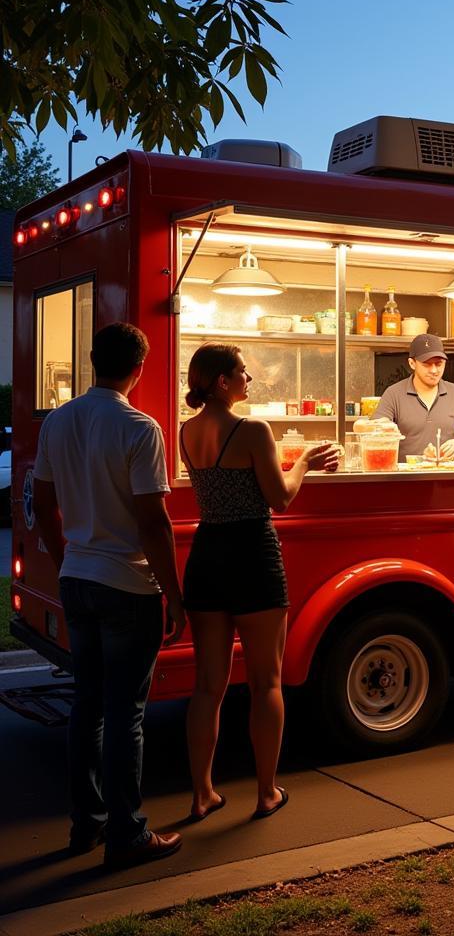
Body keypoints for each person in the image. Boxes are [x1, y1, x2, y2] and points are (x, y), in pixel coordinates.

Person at [33, 323, 186, 868]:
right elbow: (154, 521)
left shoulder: (58, 421)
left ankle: (87, 825)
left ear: (93, 361)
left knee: (87, 707)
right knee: (127, 714)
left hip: (78, 577)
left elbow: (42, 501)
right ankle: (128, 834)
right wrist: (174, 594)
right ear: (140, 368)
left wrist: (62, 555)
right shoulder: (139, 427)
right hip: (127, 584)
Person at [180, 344, 338, 822]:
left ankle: (203, 793)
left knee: (208, 686)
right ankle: (266, 791)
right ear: (222, 382)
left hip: (207, 556)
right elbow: (280, 497)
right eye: (242, 372)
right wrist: (305, 462)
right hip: (252, 554)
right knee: (266, 680)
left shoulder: (187, 431)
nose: (249, 378)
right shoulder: (251, 430)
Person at [372, 333, 454, 460]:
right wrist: (383, 429)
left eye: (439, 364)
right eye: (426, 364)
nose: (434, 370)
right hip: (404, 475)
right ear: (412, 363)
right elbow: (374, 432)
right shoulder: (393, 394)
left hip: (445, 473)